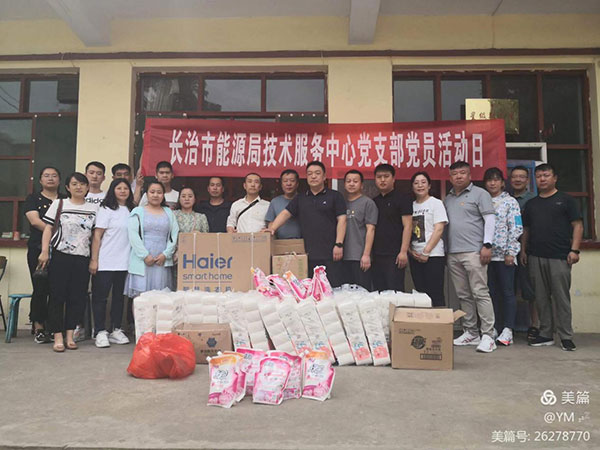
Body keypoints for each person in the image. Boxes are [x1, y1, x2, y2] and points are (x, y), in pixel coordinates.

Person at [521, 163, 583, 351]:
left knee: (561, 298)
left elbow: (578, 226)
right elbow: (526, 230)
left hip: (560, 256)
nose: (542, 179)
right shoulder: (531, 204)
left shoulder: (566, 200)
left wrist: (575, 250)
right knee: (540, 297)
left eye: (546, 175)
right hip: (535, 256)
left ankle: (565, 336)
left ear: (554, 178)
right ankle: (546, 333)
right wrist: (523, 251)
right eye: (539, 176)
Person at [38, 172, 97, 352]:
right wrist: (44, 251)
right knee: (57, 296)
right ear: (67, 187)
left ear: (87, 187)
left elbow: (96, 237)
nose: (79, 187)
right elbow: (48, 229)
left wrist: (94, 259)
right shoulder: (59, 204)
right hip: (61, 256)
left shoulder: (94, 208)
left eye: (82, 184)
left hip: (82, 258)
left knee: (77, 297)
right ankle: (57, 335)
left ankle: (70, 335)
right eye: (74, 184)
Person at [444, 161, 497, 353]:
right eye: (454, 174)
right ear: (450, 177)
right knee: (463, 295)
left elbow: (490, 219)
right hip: (453, 252)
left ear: (470, 175)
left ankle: (488, 335)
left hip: (474, 251)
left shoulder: (480, 194)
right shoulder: (448, 198)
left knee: (480, 292)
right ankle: (471, 332)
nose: (458, 176)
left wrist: (487, 245)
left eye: (462, 173)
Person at [269, 161, 346, 287]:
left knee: (333, 289)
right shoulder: (301, 198)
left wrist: (339, 244)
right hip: (308, 254)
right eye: (310, 174)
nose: (313, 176)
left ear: (324, 177)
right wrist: (272, 228)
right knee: (311, 289)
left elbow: (342, 220)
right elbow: (285, 213)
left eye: (317, 173)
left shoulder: (335, 196)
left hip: (331, 253)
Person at [89, 179, 136, 348]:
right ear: (112, 190)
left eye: (126, 188)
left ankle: (116, 329)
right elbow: (97, 235)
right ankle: (100, 331)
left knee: (119, 298)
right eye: (119, 188)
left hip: (125, 262)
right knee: (100, 298)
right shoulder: (106, 209)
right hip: (106, 261)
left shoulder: (132, 210)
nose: (123, 191)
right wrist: (94, 259)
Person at [24, 167, 65, 343]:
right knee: (40, 288)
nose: (50, 179)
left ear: (60, 180)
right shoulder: (33, 199)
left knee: (57, 290)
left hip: (62, 250)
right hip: (38, 249)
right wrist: (55, 232)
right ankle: (39, 326)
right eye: (46, 176)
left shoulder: (65, 199)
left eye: (54, 176)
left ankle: (54, 327)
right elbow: (35, 221)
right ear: (40, 180)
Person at [484, 167, 523, 347]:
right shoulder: (483, 200)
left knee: (507, 292)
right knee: (491, 293)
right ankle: (494, 327)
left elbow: (516, 227)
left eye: (496, 179)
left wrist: (511, 252)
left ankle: (508, 329)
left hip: (505, 255)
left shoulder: (510, 202)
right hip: (486, 256)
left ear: (502, 182)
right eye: (489, 180)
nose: (492, 183)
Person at [124, 179, 179, 298]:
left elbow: (174, 235)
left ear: (163, 195)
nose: (155, 195)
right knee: (141, 298)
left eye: (159, 192)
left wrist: (165, 254)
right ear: (146, 194)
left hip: (161, 259)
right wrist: (145, 255)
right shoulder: (137, 211)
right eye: (152, 192)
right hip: (142, 259)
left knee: (161, 297)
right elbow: (133, 235)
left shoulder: (169, 212)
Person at [408, 171, 448, 307]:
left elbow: (439, 229)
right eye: (416, 183)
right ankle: (424, 320)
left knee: (435, 293)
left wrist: (426, 252)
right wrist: (410, 251)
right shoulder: (411, 205)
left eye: (423, 182)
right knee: (420, 294)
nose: (420, 185)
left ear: (429, 186)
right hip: (415, 255)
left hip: (433, 255)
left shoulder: (436, 203)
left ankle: (440, 321)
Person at [372, 164, 412, 292]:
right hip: (376, 254)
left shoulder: (403, 199)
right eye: (379, 177)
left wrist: (403, 251)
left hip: (395, 255)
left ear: (393, 179)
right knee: (379, 291)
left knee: (395, 292)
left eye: (386, 176)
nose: (382, 180)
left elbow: (408, 226)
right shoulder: (374, 202)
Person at [509, 165, 538, 341]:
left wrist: (524, 249)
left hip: (527, 251)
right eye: (514, 177)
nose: (518, 180)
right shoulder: (505, 199)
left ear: (527, 180)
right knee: (507, 290)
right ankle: (507, 326)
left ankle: (534, 325)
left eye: (521, 177)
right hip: (506, 251)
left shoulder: (533, 201)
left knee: (530, 290)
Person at [342, 170, 377, 290]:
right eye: (348, 181)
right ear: (344, 184)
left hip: (360, 257)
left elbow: (371, 229)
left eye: (355, 181)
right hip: (343, 257)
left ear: (361, 185)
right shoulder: (341, 203)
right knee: (346, 293)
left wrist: (366, 255)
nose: (352, 184)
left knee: (363, 293)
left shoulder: (368, 203)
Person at [265, 169, 302, 239]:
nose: (288, 184)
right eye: (285, 181)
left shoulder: (303, 200)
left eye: (292, 180)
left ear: (297, 184)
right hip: (280, 241)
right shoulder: (275, 202)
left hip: (301, 241)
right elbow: (270, 222)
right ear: (281, 184)